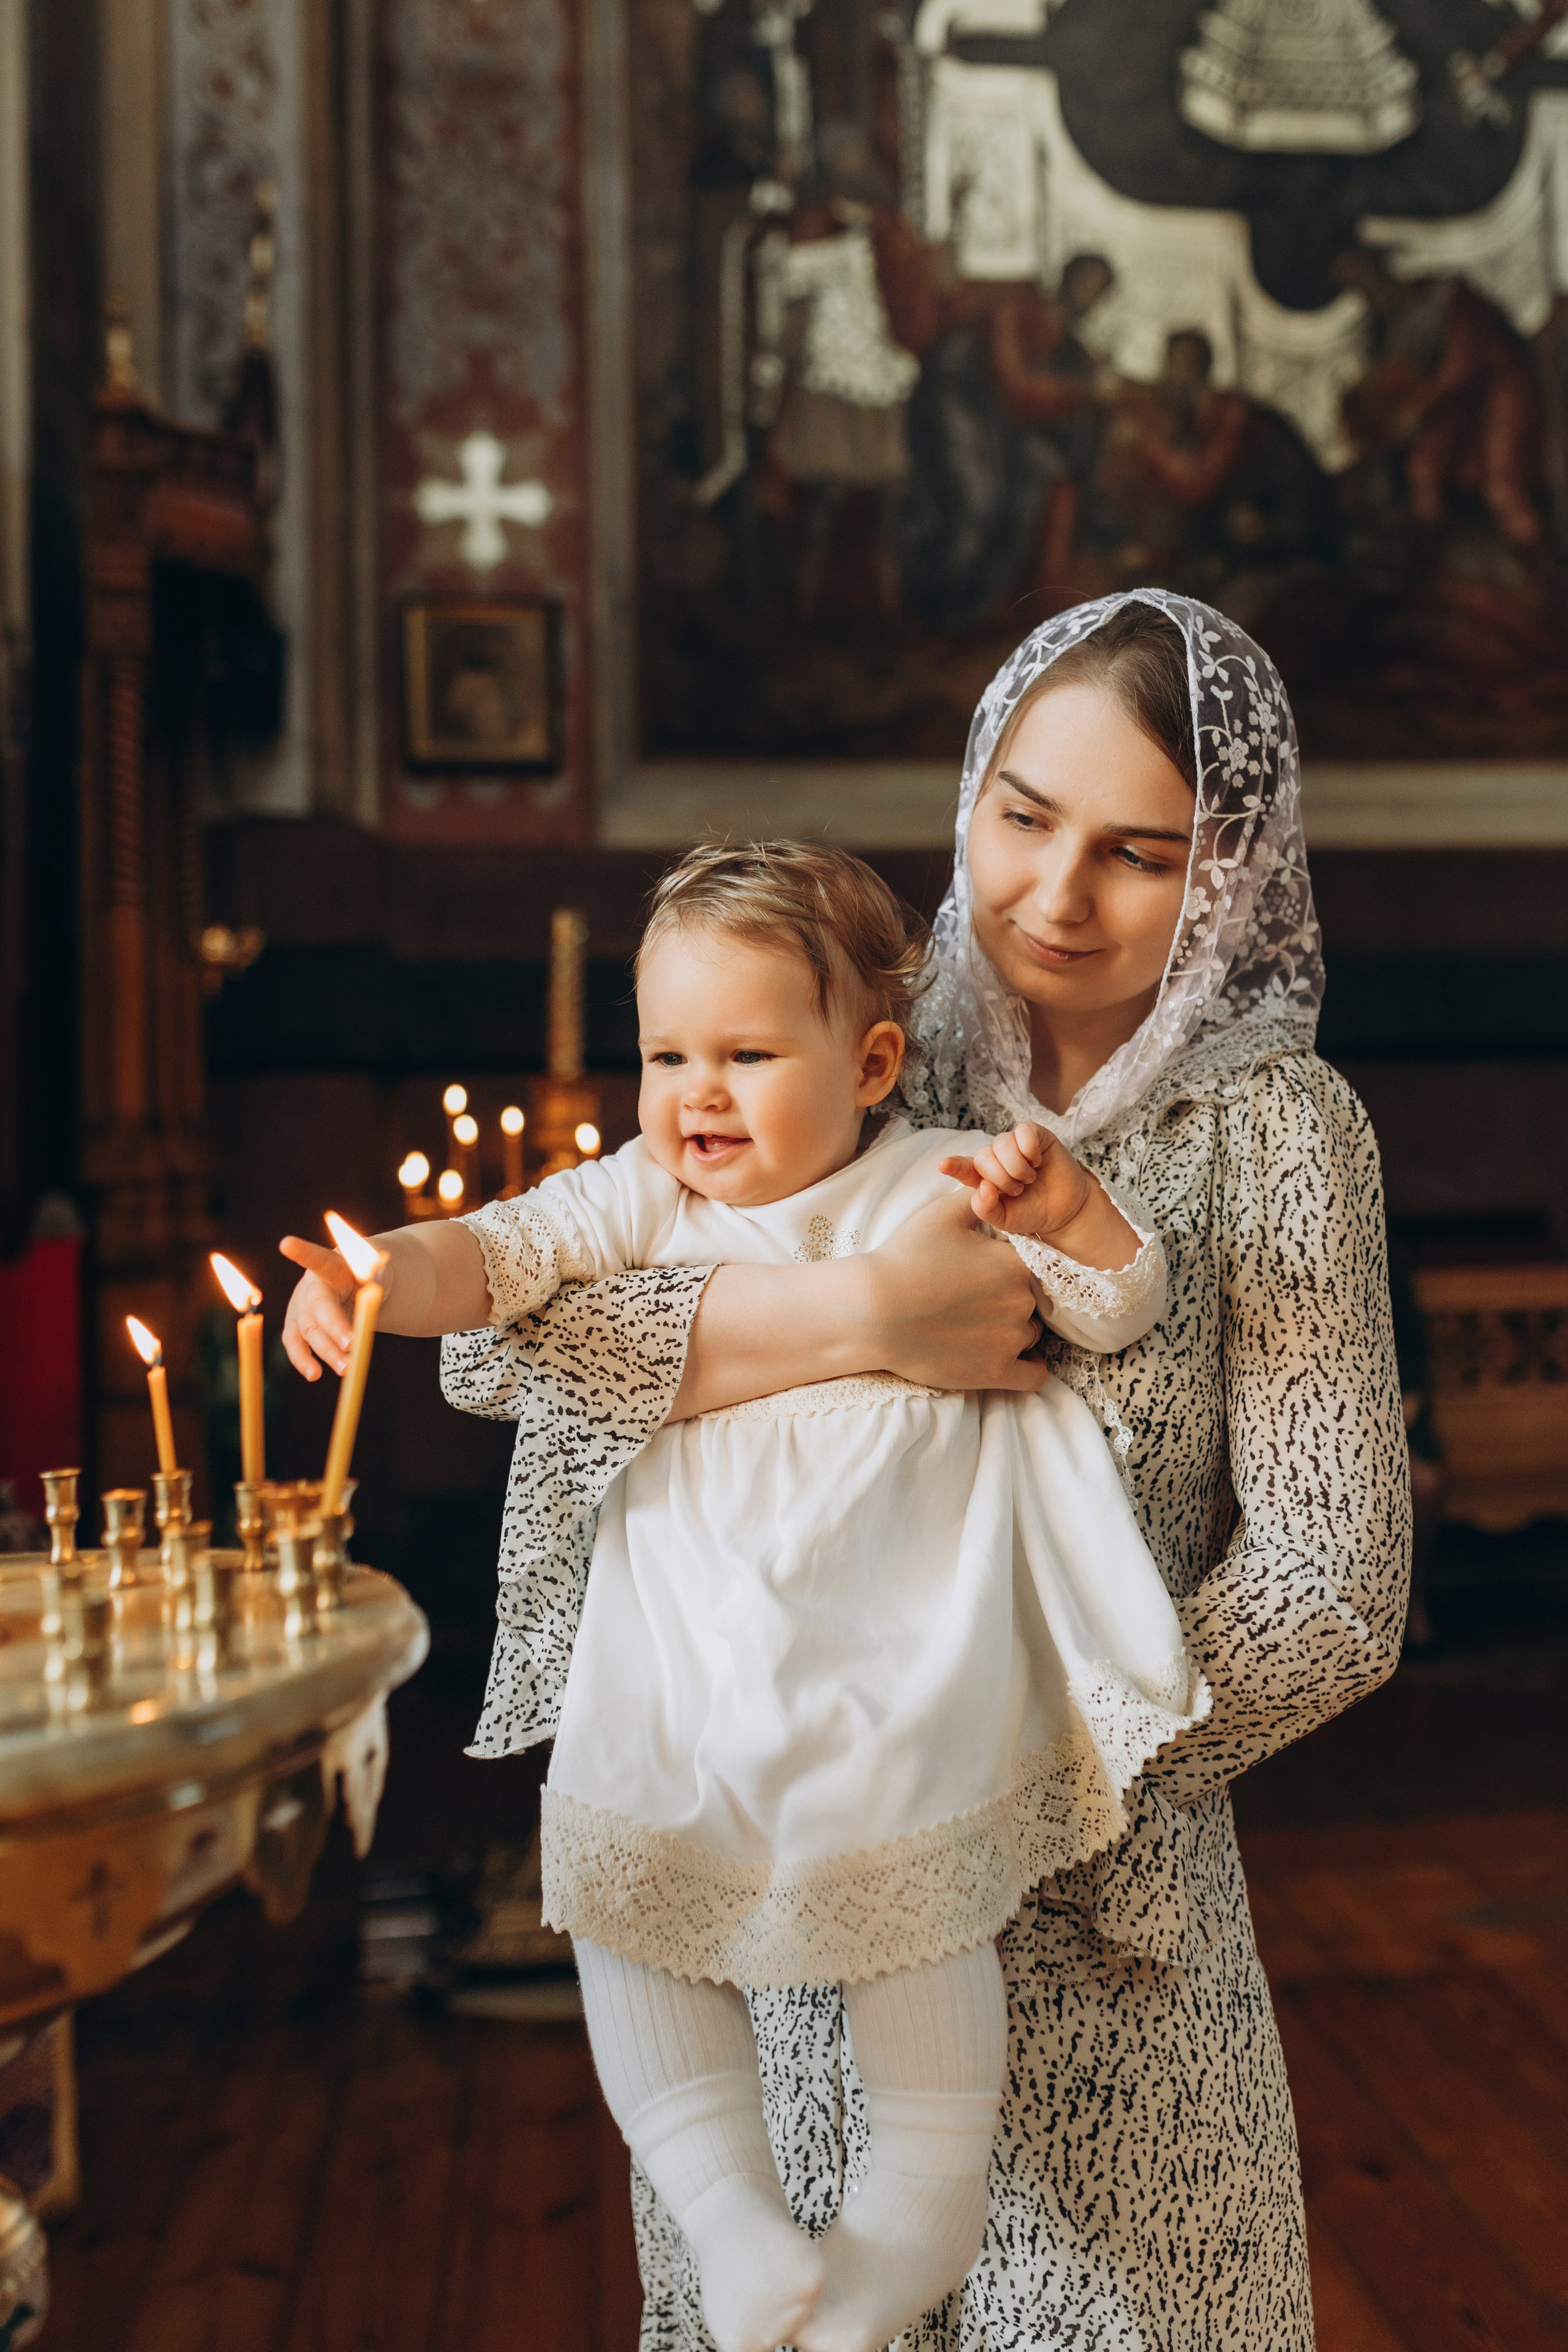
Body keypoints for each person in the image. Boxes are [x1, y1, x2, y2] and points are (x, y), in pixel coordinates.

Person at [290, 592, 1412, 2348]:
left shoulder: (1279, 1134)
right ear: (972, 785)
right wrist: (869, 1313)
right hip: (772, 1895)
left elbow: (1334, 1589)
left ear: (1233, 874)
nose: (1055, 892)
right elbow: (512, 1345)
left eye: (1139, 853)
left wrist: (1022, 1766)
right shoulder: (824, 1025)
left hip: (1107, 1922)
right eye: (1025, 816)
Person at [281, 838, 1210, 2352]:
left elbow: (1112, 1308)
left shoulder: (935, 1177)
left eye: (745, 1052)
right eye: (665, 1053)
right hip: (683, 1655)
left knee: (917, 1927)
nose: (694, 1093)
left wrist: (1074, 1214)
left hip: (889, 1653)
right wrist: (373, 1275)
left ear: (870, 1064)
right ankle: (730, 2220)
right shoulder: (640, 1200)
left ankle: (901, 2242)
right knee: (623, 1907)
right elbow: (493, 1263)